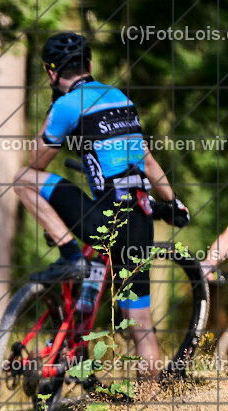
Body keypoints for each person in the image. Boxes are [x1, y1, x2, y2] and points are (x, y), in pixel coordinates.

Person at [12, 32, 190, 385]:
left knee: (23, 178)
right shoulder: (120, 97)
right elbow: (149, 163)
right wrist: (172, 203)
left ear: (51, 73)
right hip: (140, 218)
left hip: (105, 219)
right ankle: (149, 405)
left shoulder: (66, 105)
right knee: (140, 323)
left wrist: (55, 119)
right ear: (89, 65)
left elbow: (37, 162)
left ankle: (68, 253)